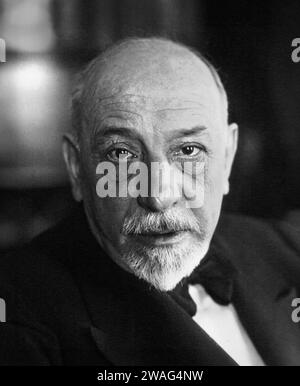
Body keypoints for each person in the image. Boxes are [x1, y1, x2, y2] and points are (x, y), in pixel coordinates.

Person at [0, 37, 300, 366]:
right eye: (121, 153)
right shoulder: (18, 319)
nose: (158, 196)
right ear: (76, 168)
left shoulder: (283, 247)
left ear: (227, 157)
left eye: (189, 151)